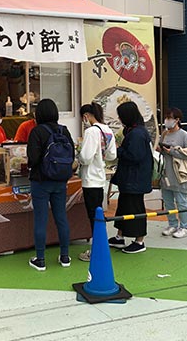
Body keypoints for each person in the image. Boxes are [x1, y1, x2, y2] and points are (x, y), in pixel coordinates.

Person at [26, 99, 75, 271]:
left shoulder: (37, 132)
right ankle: (65, 256)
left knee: (41, 219)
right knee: (61, 218)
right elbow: (72, 155)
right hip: (60, 181)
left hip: (41, 181)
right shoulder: (64, 130)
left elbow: (32, 158)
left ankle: (40, 259)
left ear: (39, 114)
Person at [108, 101, 153, 254]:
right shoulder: (133, 131)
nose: (119, 119)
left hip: (135, 179)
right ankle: (119, 237)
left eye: (121, 116)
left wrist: (118, 150)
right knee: (123, 207)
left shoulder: (137, 134)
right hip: (130, 179)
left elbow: (134, 156)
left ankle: (139, 241)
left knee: (136, 209)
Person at [76, 102, 117, 262]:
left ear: (86, 116)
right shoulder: (107, 130)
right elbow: (112, 155)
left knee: (93, 216)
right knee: (99, 214)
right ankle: (101, 247)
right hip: (100, 177)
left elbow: (86, 157)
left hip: (90, 178)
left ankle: (96, 250)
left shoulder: (91, 131)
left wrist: (78, 156)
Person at [158, 107, 187, 239]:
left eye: (169, 118)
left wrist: (173, 151)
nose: (167, 120)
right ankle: (172, 224)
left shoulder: (183, 135)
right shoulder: (164, 134)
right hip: (166, 173)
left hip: (180, 174)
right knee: (168, 201)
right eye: (166, 118)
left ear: (177, 120)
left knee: (181, 201)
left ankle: (185, 227)